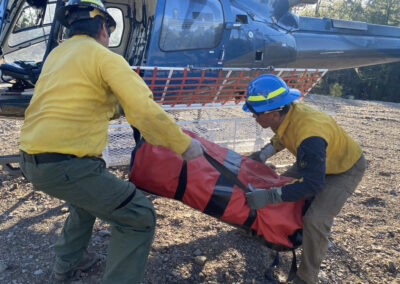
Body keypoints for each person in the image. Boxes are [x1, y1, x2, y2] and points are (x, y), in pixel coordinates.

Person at [18, 0, 204, 283]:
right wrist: (184, 146)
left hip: (31, 159)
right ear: (103, 27)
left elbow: (77, 102)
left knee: (85, 201)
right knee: (139, 216)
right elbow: (144, 111)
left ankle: (69, 262)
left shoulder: (57, 56)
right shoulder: (104, 57)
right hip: (66, 165)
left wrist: (115, 107)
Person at [243, 75, 366, 284]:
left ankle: (306, 277)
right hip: (317, 162)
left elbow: (313, 184)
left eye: (256, 114)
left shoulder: (310, 134)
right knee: (278, 185)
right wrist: (261, 156)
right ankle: (271, 233)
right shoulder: (287, 114)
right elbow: (282, 136)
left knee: (316, 220)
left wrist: (270, 197)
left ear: (273, 113)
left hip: (344, 168)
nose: (254, 117)